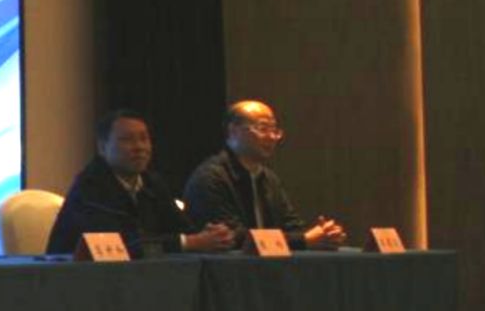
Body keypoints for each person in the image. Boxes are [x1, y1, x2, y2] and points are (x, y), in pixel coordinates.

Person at [43, 109, 235, 255]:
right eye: (127, 140)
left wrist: (209, 235)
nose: (140, 147)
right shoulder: (91, 187)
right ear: (102, 147)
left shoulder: (152, 183)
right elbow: (121, 245)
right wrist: (190, 242)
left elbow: (181, 228)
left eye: (144, 139)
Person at [182, 100, 346, 250]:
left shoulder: (268, 178)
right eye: (263, 129)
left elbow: (291, 226)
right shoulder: (210, 178)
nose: (272, 137)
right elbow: (235, 237)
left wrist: (323, 235)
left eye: (274, 130)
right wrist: (304, 240)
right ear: (233, 131)